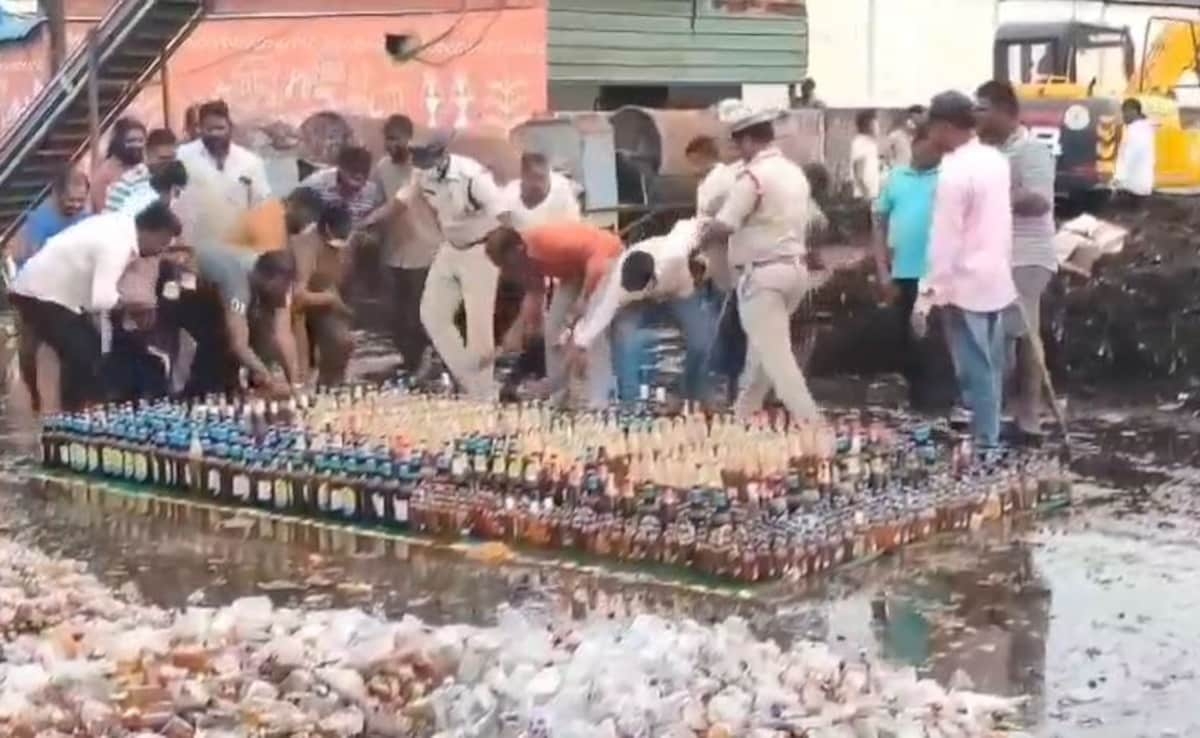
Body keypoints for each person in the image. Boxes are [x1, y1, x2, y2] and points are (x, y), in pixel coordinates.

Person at [699, 108, 821, 421]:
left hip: (764, 273)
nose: (739, 153)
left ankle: (814, 427)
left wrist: (701, 233)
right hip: (795, 270)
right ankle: (742, 418)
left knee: (777, 362)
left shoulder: (753, 176)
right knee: (764, 359)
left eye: (740, 145)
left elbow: (726, 224)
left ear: (751, 141)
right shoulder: (794, 173)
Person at [914, 91, 1016, 453]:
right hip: (996, 278)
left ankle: (986, 443)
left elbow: (944, 240)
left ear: (944, 127)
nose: (929, 137)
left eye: (932, 129)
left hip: (966, 283)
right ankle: (988, 435)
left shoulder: (954, 172)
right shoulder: (995, 160)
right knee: (990, 365)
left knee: (976, 369)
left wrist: (926, 297)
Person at [9, 202, 180, 412]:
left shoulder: (119, 226)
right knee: (85, 352)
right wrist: (135, 308)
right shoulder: (117, 245)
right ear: (154, 232)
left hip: (45, 290)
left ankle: (69, 410)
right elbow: (101, 299)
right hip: (41, 292)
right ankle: (75, 414)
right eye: (162, 242)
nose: (160, 251)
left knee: (83, 348)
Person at [975, 80, 1057, 440]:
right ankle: (1006, 412)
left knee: (1021, 333)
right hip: (996, 257)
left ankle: (1029, 416)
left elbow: (1039, 201)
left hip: (1027, 256)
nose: (976, 116)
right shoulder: (987, 154)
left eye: (982, 109)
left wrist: (995, 195)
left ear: (1004, 112)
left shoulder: (1031, 151)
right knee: (1002, 336)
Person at [568, 218, 716, 406]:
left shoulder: (674, 252)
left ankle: (691, 397)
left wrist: (713, 231)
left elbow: (689, 226)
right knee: (625, 339)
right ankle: (631, 404)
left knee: (702, 341)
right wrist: (581, 343)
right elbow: (601, 312)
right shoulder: (619, 286)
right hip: (637, 305)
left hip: (679, 293)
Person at [404, 129, 506, 400]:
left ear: (440, 155)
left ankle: (484, 398)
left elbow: (504, 215)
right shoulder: (421, 173)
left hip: (482, 251)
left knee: (479, 330)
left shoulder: (473, 178)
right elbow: (406, 200)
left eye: (425, 159)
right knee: (432, 315)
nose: (420, 165)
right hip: (450, 247)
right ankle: (471, 383)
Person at [484, 221, 623, 407]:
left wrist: (584, 300)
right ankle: (559, 395)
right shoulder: (523, 260)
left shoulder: (546, 242)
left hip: (605, 259)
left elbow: (598, 254)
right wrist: (517, 331)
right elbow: (535, 292)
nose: (508, 271)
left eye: (507, 264)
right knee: (553, 331)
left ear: (518, 249)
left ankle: (599, 400)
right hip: (574, 271)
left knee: (591, 336)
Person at [872, 122, 941, 408]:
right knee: (905, 340)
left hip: (937, 275)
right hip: (903, 273)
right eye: (932, 147)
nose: (937, 153)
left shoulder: (947, 178)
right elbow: (878, 225)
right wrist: (882, 270)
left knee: (933, 342)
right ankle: (914, 401)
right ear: (916, 144)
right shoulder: (895, 179)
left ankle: (935, 402)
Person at [367, 114, 441, 375]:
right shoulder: (382, 168)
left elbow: (397, 205)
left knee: (418, 315)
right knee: (396, 317)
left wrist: (366, 223)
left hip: (425, 250)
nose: (391, 145)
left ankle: (426, 364)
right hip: (393, 253)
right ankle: (411, 364)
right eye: (387, 139)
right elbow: (377, 200)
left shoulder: (422, 169)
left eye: (396, 139)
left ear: (409, 139)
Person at [177, 245, 299, 398]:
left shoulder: (281, 283)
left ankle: (251, 384)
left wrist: (294, 383)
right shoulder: (237, 286)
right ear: (265, 279)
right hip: (191, 289)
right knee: (221, 340)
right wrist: (269, 378)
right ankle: (202, 393)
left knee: (262, 330)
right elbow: (239, 344)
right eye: (280, 287)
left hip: (230, 285)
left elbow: (283, 334)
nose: (284, 292)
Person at [176, 100, 271, 250]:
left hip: (236, 250)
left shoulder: (250, 162)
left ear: (230, 128)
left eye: (220, 128)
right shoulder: (182, 157)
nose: (215, 134)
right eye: (209, 129)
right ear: (200, 129)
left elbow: (259, 206)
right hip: (192, 249)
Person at [290, 203, 355, 386]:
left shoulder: (346, 242)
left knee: (344, 342)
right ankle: (302, 383)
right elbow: (298, 295)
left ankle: (331, 384)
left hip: (324, 300)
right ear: (327, 229)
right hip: (296, 309)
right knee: (301, 367)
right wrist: (330, 299)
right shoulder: (306, 246)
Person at [13, 169, 90, 268]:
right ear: (58, 194)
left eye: (81, 200)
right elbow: (35, 259)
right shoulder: (39, 219)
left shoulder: (85, 219)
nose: (76, 205)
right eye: (71, 200)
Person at [301, 144, 385, 227]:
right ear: (341, 169)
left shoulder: (372, 194)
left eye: (357, 189)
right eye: (352, 178)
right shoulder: (316, 184)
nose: (353, 189)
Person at [228, 185, 325, 254]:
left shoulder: (287, 231)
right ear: (288, 205)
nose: (309, 224)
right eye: (307, 218)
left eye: (313, 220)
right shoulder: (268, 224)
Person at [501, 151, 581, 230]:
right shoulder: (509, 193)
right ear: (522, 175)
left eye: (542, 178)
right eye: (533, 178)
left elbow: (574, 228)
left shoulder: (562, 189)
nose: (538, 184)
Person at [105, 128, 178, 213]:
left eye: (172, 159)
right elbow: (111, 220)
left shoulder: (182, 180)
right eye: (163, 159)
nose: (168, 164)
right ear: (147, 154)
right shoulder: (126, 186)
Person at [91, 117, 146, 212]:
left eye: (140, 141)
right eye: (131, 141)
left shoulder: (143, 169)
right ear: (118, 142)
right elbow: (102, 213)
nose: (136, 145)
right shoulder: (104, 174)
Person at [1113, 97, 1155, 203]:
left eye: (1124, 112)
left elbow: (1129, 156)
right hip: (1139, 184)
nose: (1123, 116)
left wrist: (1118, 179)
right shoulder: (1143, 129)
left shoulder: (1137, 131)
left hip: (1131, 186)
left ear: (1133, 111)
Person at [850, 109, 882, 204]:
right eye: (876, 124)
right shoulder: (861, 143)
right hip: (864, 197)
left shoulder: (870, 144)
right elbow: (858, 174)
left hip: (872, 195)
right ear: (868, 125)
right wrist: (867, 196)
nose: (878, 127)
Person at [882, 105, 926, 170]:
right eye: (912, 118)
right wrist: (891, 165)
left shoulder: (923, 137)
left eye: (917, 120)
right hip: (900, 172)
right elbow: (885, 152)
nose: (914, 123)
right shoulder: (895, 135)